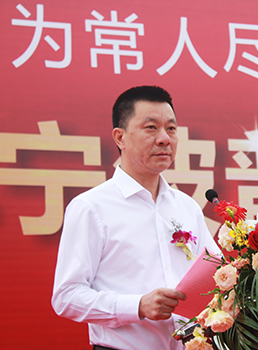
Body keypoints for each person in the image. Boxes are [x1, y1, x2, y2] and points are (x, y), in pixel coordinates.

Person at [52, 86, 219, 350]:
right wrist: (137, 306)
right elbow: (67, 297)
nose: (164, 139)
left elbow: (216, 274)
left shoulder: (186, 206)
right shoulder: (91, 207)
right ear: (120, 137)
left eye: (171, 129)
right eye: (151, 128)